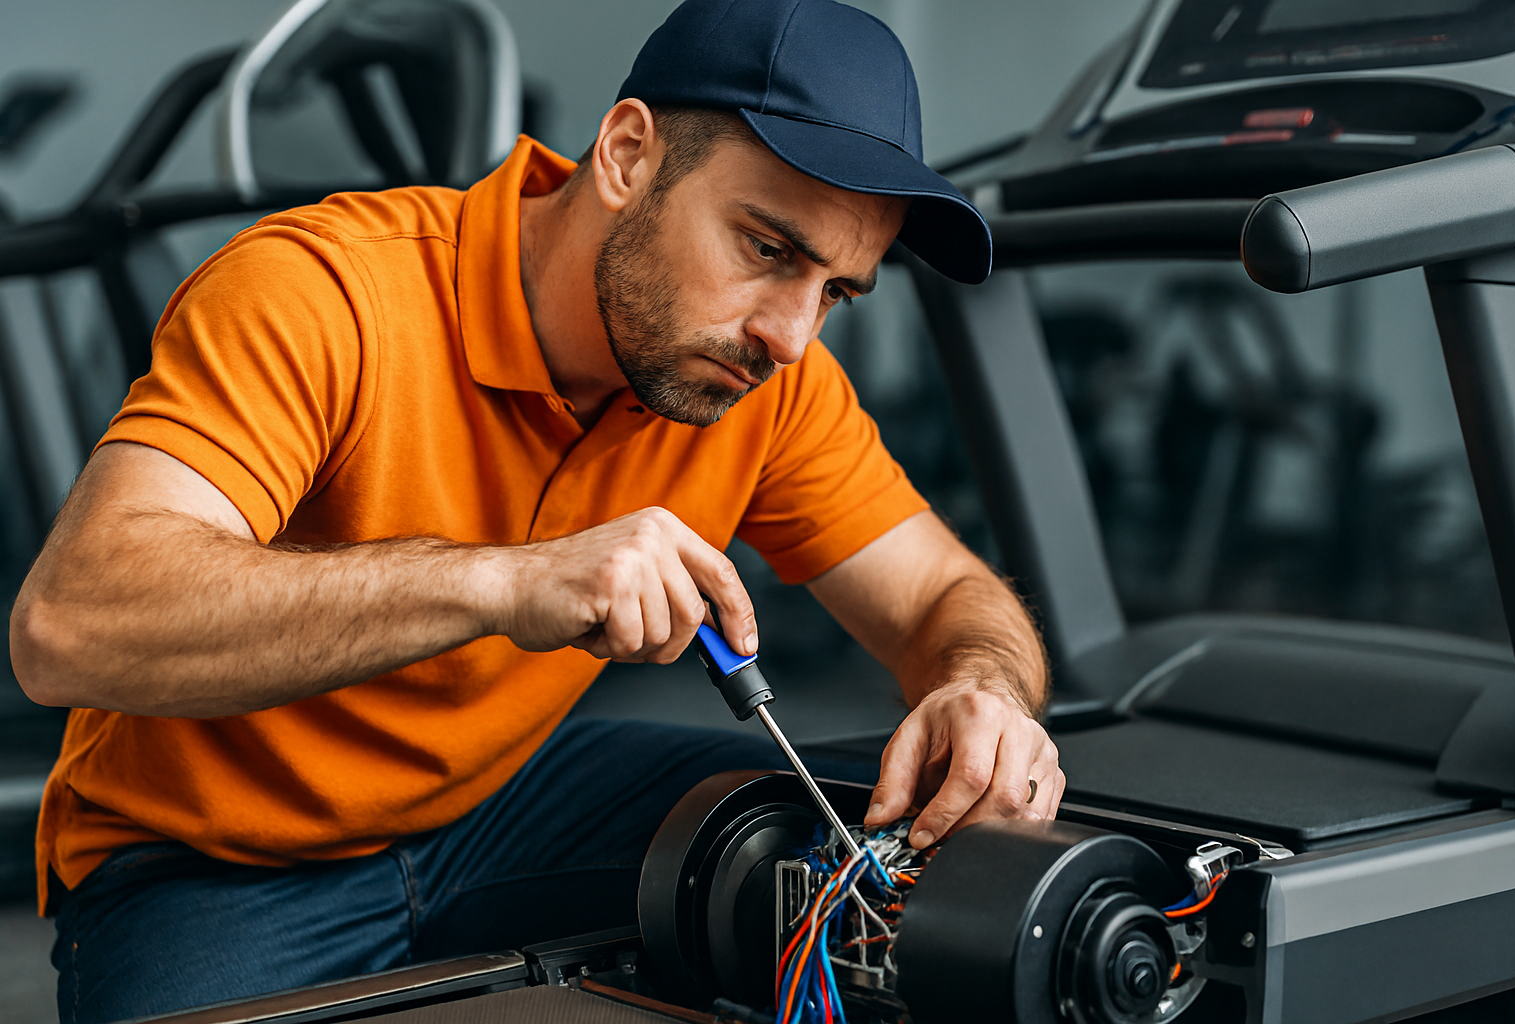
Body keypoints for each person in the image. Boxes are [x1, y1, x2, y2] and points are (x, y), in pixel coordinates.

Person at [9, 0, 1061, 1020]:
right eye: (767, 249)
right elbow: (68, 625)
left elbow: (944, 593)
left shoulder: (768, 386)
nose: (789, 336)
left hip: (501, 801)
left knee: (932, 847)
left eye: (835, 290)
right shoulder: (324, 292)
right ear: (628, 155)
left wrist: (985, 690)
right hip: (209, 859)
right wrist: (507, 578)